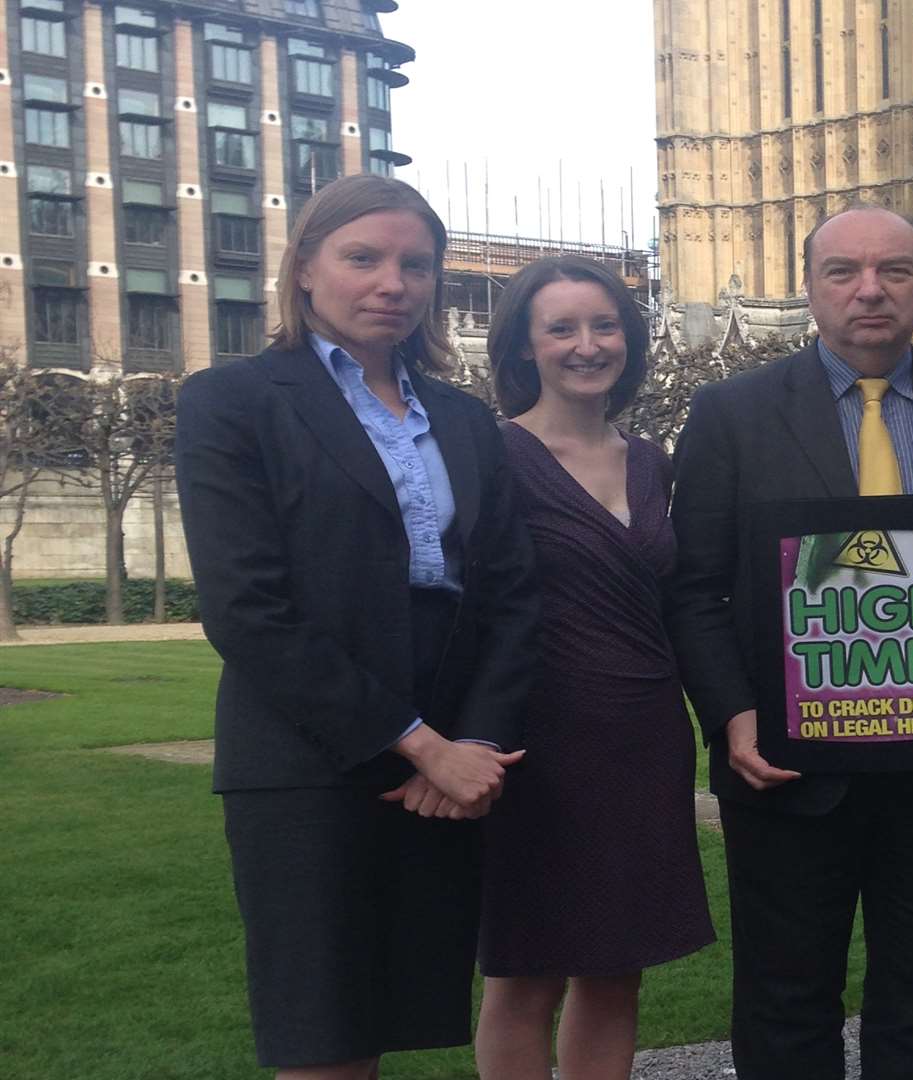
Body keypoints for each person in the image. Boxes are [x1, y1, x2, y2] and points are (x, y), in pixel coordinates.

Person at [667, 205, 913, 1080]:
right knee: (784, 996)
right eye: (843, 271)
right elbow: (693, 588)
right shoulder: (731, 412)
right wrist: (731, 717)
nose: (870, 291)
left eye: (894, 271)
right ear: (810, 287)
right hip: (789, 763)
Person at [174, 174, 542, 1078]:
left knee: (404, 1006)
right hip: (307, 757)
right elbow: (247, 609)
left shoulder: (462, 419)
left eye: (416, 265)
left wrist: (474, 745)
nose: (393, 283)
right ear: (304, 269)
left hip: (449, 751)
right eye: (363, 258)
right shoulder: (232, 401)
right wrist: (416, 745)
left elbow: (507, 594)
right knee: (323, 1035)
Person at [472, 256, 715, 1079]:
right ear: (525, 347)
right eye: (562, 328)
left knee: (616, 968)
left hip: (644, 741)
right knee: (525, 973)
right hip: (538, 742)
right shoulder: (492, 456)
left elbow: (677, 599)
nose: (587, 344)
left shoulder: (650, 461)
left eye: (604, 325)